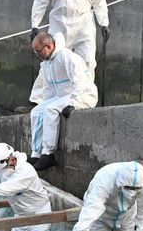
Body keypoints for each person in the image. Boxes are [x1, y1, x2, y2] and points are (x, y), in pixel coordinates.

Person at [28, 32, 98, 171]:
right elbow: (48, 90)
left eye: (39, 51)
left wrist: (74, 102)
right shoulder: (46, 63)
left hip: (83, 94)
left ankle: (48, 154)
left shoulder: (66, 56)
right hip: (63, 97)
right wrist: (44, 103)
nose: (38, 55)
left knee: (50, 110)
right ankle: (36, 153)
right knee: (36, 111)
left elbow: (81, 82)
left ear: (49, 46)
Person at [65, 162, 143, 231]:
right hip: (103, 213)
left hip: (127, 213)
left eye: (135, 189)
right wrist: (81, 229)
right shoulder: (105, 178)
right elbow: (94, 205)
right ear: (120, 182)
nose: (132, 193)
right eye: (127, 188)